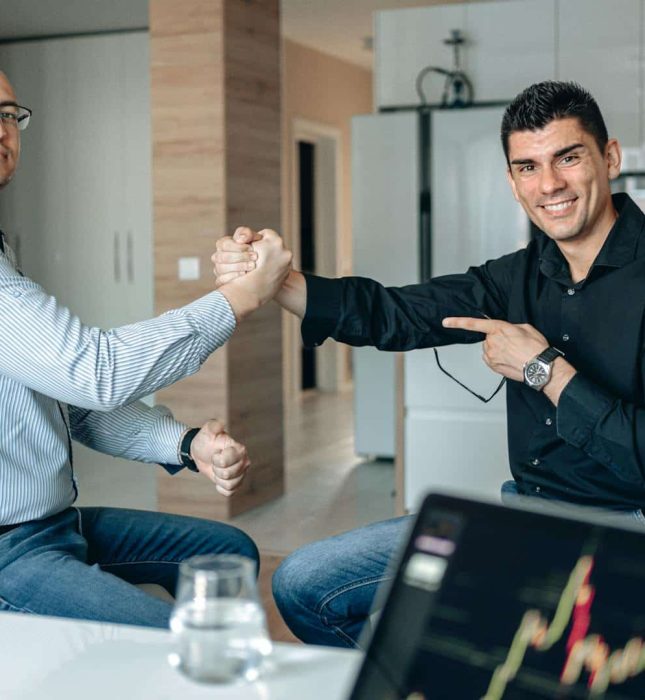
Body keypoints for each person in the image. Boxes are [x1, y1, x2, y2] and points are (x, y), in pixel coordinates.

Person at [213, 80, 645, 648]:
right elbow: (395, 313)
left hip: (628, 531)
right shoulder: (514, 277)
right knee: (303, 583)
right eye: (527, 167)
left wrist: (545, 369)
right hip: (527, 517)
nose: (550, 185)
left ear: (608, 157)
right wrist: (275, 281)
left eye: (568, 158)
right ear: (513, 182)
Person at [0, 70, 291, 628]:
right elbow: (94, 373)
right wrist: (240, 297)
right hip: (8, 550)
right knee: (175, 642)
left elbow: (65, 397)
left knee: (225, 553)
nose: (3, 129)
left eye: (9, 113)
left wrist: (183, 444)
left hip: (48, 525)